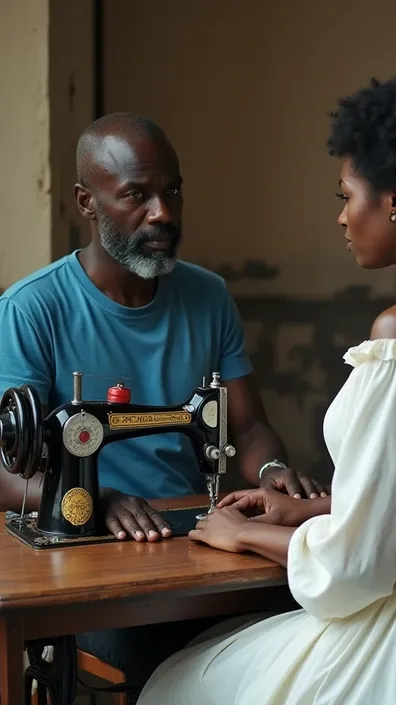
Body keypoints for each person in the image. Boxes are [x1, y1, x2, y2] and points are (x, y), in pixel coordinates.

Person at [136, 74, 396, 705]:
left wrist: (243, 535)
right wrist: (311, 510)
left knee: (176, 683)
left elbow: (357, 568)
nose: (342, 216)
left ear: (394, 199)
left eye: (347, 195)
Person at [0, 113, 329, 703]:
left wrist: (273, 474)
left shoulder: (209, 296)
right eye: (137, 195)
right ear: (87, 202)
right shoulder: (31, 309)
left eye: (172, 190)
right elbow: (4, 467)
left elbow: (248, 427)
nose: (164, 213)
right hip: (90, 569)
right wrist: (93, 500)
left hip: (193, 549)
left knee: (302, 629)